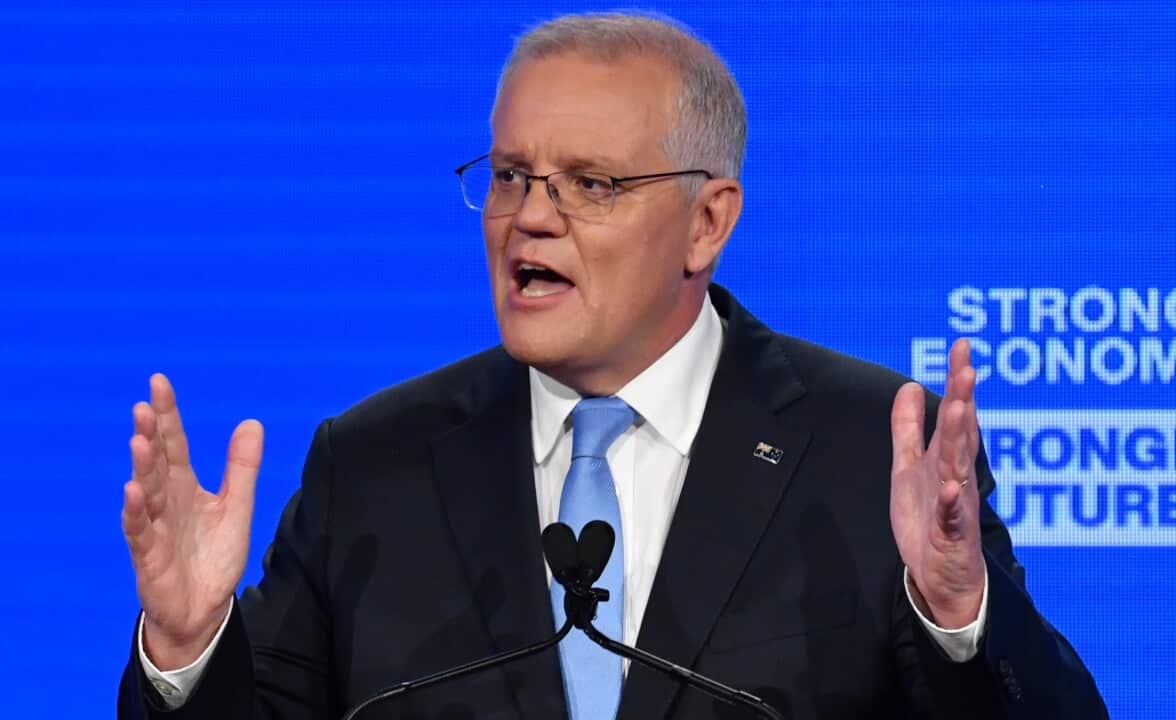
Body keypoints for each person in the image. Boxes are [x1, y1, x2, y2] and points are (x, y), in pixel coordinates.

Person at [117, 12, 1107, 719]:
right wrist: (187, 650)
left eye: (590, 183)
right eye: (509, 176)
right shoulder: (373, 465)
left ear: (707, 222)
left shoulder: (864, 450)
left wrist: (956, 617)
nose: (528, 218)